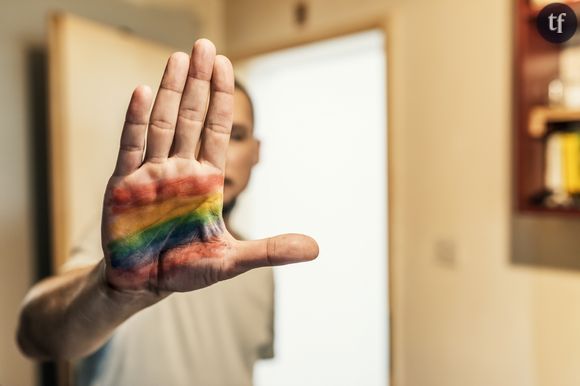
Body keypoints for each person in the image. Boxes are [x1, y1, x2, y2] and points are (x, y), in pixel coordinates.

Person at [17, 38, 319, 386]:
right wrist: (113, 291)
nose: (215, 152)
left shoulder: (259, 269)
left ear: (257, 152)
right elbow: (35, 335)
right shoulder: (134, 242)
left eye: (235, 136)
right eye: (201, 132)